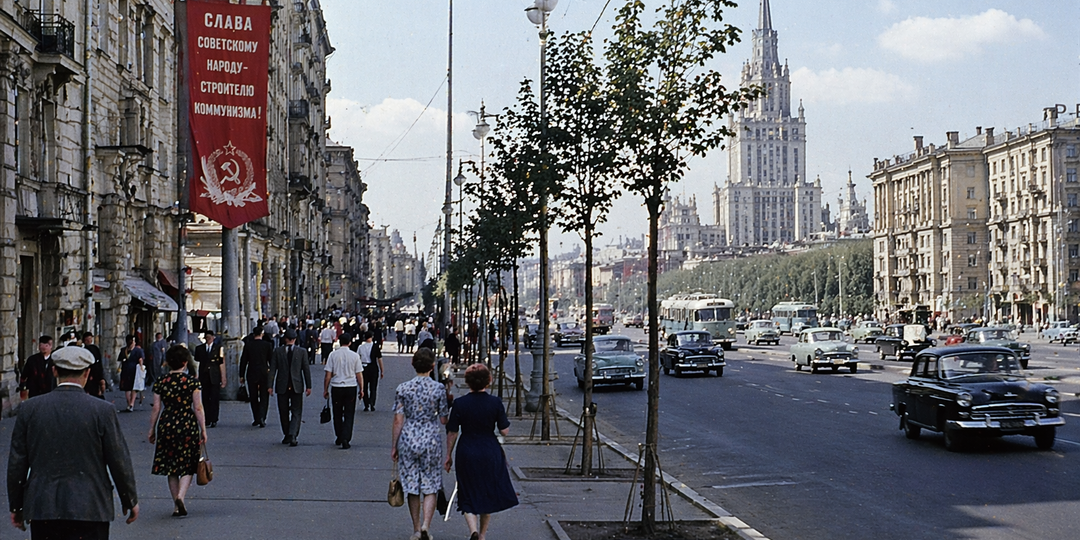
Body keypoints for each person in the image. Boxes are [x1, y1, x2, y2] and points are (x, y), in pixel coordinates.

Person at [8, 345, 140, 537]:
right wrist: (129, 499)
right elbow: (119, 459)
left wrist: (16, 506)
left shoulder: (30, 409)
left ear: (54, 371)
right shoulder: (102, 411)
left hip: (44, 506)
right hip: (90, 506)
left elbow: (17, 462)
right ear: (87, 373)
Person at [444, 363, 518, 540]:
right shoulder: (495, 402)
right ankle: (483, 535)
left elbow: (452, 432)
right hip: (489, 450)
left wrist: (448, 455)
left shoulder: (460, 404)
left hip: (467, 450)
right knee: (488, 491)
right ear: (488, 381)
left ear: (468, 382)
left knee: (467, 489)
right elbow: (504, 430)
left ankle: (473, 531)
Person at [392, 348, 449, 540]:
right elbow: (443, 419)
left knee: (411, 485)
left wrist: (394, 445)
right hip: (430, 439)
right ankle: (426, 525)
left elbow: (398, 420)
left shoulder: (403, 388)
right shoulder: (438, 389)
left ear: (413, 364)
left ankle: (416, 529)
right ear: (433, 366)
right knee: (431, 483)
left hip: (408, 438)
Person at [148, 344, 207, 517]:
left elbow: (156, 408)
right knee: (188, 464)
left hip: (167, 424)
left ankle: (176, 504)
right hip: (187, 425)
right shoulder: (192, 382)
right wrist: (203, 429)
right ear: (185, 363)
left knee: (171, 466)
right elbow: (198, 407)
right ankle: (181, 496)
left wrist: (152, 429)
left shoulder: (161, 382)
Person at [269, 329, 312, 446]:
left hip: (286, 385)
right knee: (295, 411)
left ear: (285, 339)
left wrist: (270, 386)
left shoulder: (279, 351)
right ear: (294, 339)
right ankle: (290, 434)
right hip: (294, 385)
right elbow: (306, 370)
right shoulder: (299, 352)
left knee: (285, 411)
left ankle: (291, 434)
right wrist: (308, 386)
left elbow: (273, 369)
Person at [323, 334, 363, 449]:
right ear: (350, 342)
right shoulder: (355, 356)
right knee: (349, 413)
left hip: (336, 387)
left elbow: (328, 374)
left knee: (337, 412)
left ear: (339, 342)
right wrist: (362, 389)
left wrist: (325, 389)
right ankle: (346, 437)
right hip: (350, 386)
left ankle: (339, 435)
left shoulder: (333, 355)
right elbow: (359, 374)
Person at [239, 326, 275, 427]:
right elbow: (271, 360)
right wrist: (272, 373)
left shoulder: (248, 345)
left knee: (253, 396)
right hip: (264, 373)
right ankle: (262, 417)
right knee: (264, 396)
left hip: (251, 373)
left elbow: (244, 361)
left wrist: (241, 375)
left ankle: (256, 417)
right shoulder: (267, 345)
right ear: (262, 334)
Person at [195, 331, 225, 428]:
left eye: (210, 337)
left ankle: (214, 419)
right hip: (204, 376)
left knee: (215, 398)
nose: (208, 339)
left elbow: (221, 363)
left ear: (213, 338)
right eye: (207, 337)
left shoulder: (219, 348)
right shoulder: (199, 349)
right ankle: (207, 418)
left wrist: (223, 377)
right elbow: (197, 362)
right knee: (205, 398)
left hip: (215, 376)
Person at [359, 332, 385, 411]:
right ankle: (372, 403)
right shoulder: (375, 346)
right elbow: (379, 359)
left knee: (364, 387)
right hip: (373, 367)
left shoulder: (360, 347)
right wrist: (382, 370)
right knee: (373, 387)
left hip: (363, 367)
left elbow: (358, 358)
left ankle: (366, 404)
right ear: (371, 337)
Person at [118, 335, 144, 412]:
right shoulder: (138, 350)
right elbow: (140, 360)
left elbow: (120, 360)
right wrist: (141, 368)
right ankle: (131, 404)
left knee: (127, 388)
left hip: (125, 369)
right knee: (133, 387)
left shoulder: (123, 350)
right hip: (134, 370)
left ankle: (129, 404)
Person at [83, 332, 107, 398]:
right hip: (90, 372)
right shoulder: (85, 349)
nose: (90, 340)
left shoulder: (94, 348)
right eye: (88, 339)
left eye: (90, 338)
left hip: (95, 372)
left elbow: (98, 362)